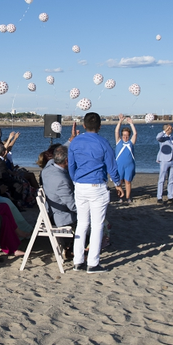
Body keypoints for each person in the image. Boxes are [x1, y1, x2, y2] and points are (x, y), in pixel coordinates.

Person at [67, 112, 120, 273]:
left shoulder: (76, 142)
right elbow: (112, 166)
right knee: (97, 225)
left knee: (82, 223)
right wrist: (117, 183)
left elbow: (71, 165)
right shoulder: (103, 142)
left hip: (80, 185)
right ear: (99, 126)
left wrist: (75, 180)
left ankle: (78, 261)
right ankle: (93, 263)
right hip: (96, 185)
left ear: (84, 125)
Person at [41, 145, 76, 257]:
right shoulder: (62, 180)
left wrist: (71, 141)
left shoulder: (47, 169)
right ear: (66, 161)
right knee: (91, 219)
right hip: (60, 216)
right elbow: (72, 206)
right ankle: (75, 249)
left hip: (50, 210)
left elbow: (57, 153)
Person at [114, 114, 138, 204]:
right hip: (119, 165)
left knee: (128, 181)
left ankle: (128, 198)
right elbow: (116, 132)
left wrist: (131, 123)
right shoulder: (118, 141)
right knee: (119, 182)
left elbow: (135, 133)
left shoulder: (131, 142)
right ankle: (120, 197)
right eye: (124, 135)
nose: (125, 137)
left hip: (129, 165)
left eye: (127, 135)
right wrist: (120, 121)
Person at [155, 124, 173, 204]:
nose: (171, 129)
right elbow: (158, 137)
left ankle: (170, 196)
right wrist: (165, 131)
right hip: (164, 161)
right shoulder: (163, 138)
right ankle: (159, 197)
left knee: (171, 180)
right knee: (162, 179)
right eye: (169, 128)